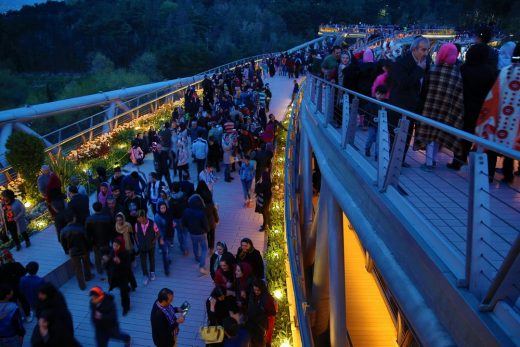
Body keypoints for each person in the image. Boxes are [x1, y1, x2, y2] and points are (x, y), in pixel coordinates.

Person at [447, 42, 498, 170]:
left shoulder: (464, 68)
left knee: (463, 136)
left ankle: (458, 161)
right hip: (483, 109)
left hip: (464, 106)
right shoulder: (489, 71)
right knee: (484, 139)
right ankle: (485, 170)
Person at [414, 43, 465, 172]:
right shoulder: (457, 73)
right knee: (438, 134)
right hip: (446, 111)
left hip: (430, 108)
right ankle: (433, 160)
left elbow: (424, 89)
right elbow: (458, 96)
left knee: (430, 135)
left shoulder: (433, 70)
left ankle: (429, 162)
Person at [475, 43, 520, 183]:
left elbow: (494, 96)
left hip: (500, 116)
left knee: (493, 143)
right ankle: (508, 174)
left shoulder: (506, 71)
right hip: (516, 121)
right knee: (512, 146)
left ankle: (488, 175)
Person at [388, 36, 431, 167]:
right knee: (396, 134)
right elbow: (403, 83)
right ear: (414, 49)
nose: (425, 53)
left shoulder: (426, 61)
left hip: (414, 105)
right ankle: (393, 162)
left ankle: (400, 160)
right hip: (399, 105)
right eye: (423, 50)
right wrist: (419, 70)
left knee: (407, 135)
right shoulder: (401, 63)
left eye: (427, 50)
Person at [60, 209, 93, 290]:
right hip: (83, 249)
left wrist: (67, 250)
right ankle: (88, 277)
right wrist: (89, 247)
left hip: (72, 251)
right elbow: (87, 239)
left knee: (77, 268)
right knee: (86, 264)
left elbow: (63, 242)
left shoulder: (63, 231)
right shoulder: (80, 228)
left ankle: (82, 285)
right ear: (74, 218)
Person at [102, 238, 133, 315]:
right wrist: (106, 261)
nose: (115, 247)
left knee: (123, 293)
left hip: (123, 276)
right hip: (115, 276)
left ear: (121, 246)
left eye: (117, 246)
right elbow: (109, 264)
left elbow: (128, 267)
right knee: (120, 287)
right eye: (114, 245)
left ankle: (126, 307)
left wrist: (120, 262)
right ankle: (128, 288)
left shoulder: (126, 253)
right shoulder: (112, 252)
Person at [182, 194, 210, 275]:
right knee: (204, 248)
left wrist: (188, 228)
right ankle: (202, 266)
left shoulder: (186, 211)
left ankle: (197, 257)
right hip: (201, 233)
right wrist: (207, 230)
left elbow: (184, 223)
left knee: (195, 245)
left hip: (192, 233)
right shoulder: (201, 213)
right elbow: (205, 224)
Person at [85, 202, 114, 275]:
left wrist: (90, 242)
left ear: (93, 209)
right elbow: (112, 229)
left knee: (97, 255)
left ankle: (99, 269)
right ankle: (108, 267)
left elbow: (87, 232)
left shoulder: (89, 219)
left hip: (95, 241)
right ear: (102, 208)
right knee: (107, 254)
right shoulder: (108, 217)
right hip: (106, 240)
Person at [247, 279, 277, 347]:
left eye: (258, 290)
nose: (256, 292)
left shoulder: (267, 298)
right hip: (253, 322)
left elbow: (272, 312)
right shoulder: (252, 295)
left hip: (261, 324)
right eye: (255, 290)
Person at [364, 85, 389, 158]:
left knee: (379, 140)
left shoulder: (387, 104)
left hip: (381, 125)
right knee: (370, 138)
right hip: (371, 124)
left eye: (382, 94)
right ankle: (367, 148)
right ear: (375, 94)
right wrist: (366, 123)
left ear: (385, 95)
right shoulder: (371, 102)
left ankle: (377, 154)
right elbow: (367, 112)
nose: (380, 96)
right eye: (378, 94)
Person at [134, 210, 158, 285]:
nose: (138, 219)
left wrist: (154, 240)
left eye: (139, 218)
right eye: (137, 218)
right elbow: (136, 233)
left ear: (144, 217)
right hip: (142, 246)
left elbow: (157, 232)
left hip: (151, 245)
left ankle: (152, 272)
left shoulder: (152, 223)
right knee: (143, 261)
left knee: (151, 259)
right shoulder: (137, 224)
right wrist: (138, 242)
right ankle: (145, 275)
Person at [154, 202, 173, 276]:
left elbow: (170, 222)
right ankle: (166, 270)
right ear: (158, 208)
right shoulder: (157, 216)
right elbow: (158, 229)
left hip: (169, 234)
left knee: (168, 249)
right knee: (165, 253)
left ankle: (168, 259)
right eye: (161, 208)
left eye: (164, 207)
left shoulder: (168, 213)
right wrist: (161, 239)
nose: (163, 209)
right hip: (163, 237)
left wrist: (172, 223)